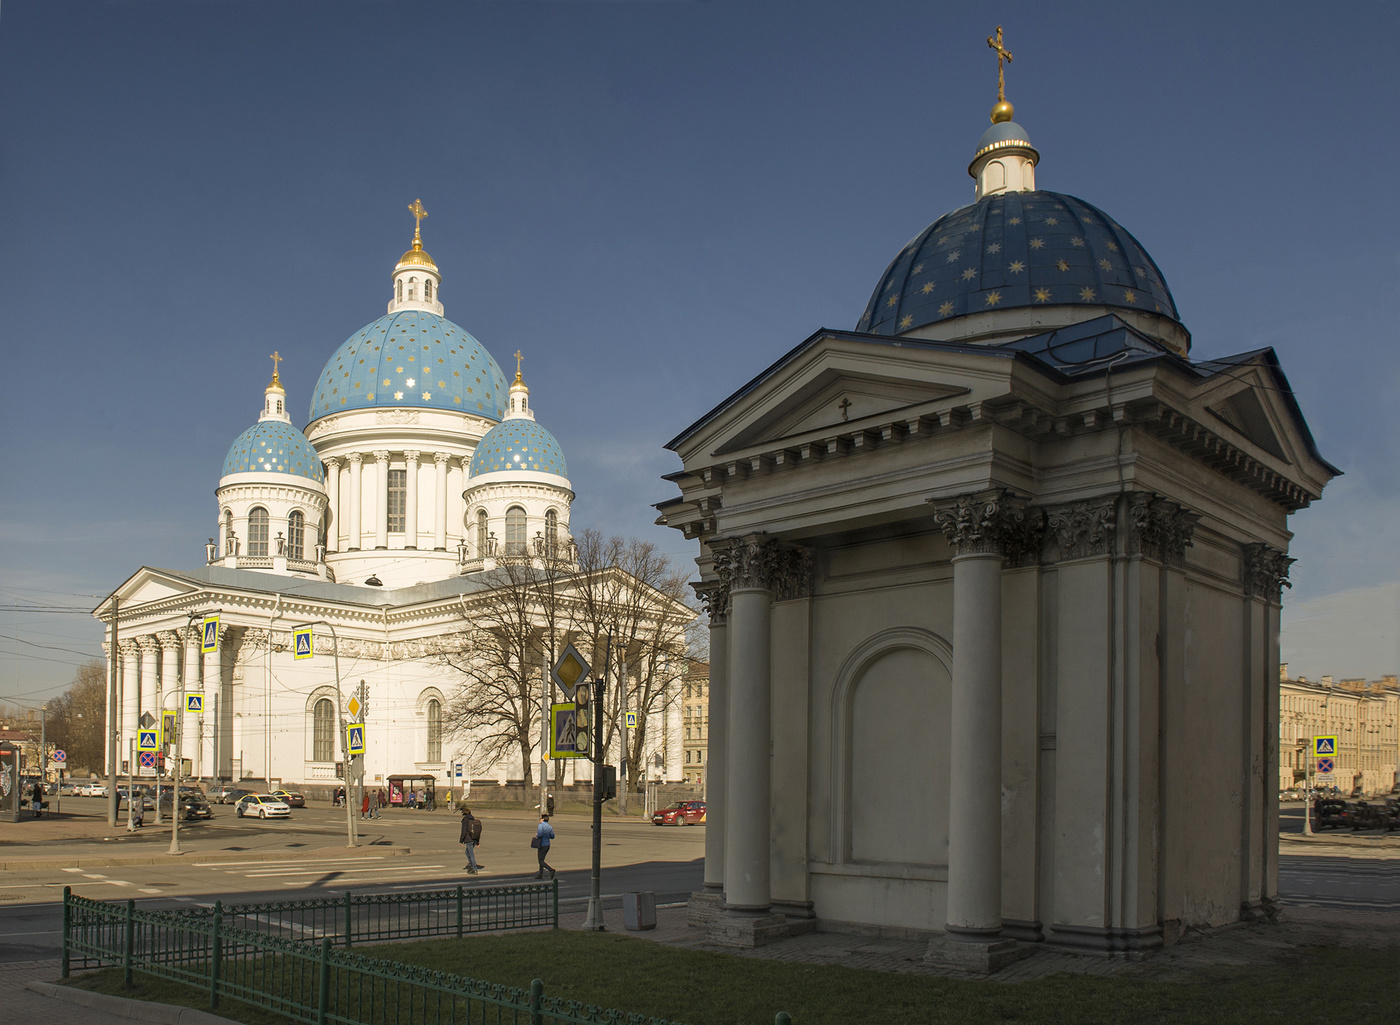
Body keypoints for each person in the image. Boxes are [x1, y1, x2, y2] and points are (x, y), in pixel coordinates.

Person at [459, 806, 483, 874]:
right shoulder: (473, 819)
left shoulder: (465, 820)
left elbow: (463, 831)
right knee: (467, 852)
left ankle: (474, 868)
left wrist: (461, 841)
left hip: (468, 839)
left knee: (470, 853)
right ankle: (471, 864)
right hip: (474, 839)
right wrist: (477, 842)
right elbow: (477, 831)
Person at [533, 814, 555, 879]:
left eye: (540, 819)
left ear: (543, 819)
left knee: (540, 860)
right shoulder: (550, 827)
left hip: (541, 844)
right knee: (542, 859)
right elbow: (552, 836)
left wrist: (537, 835)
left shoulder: (540, 825)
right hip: (547, 845)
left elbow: (539, 834)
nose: (540, 820)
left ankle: (551, 870)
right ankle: (540, 874)